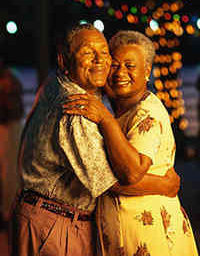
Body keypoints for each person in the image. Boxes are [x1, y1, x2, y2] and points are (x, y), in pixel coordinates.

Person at [10, 23, 180, 256]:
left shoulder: (58, 82)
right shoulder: (77, 108)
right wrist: (165, 185)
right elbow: (113, 180)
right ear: (64, 61)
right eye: (88, 53)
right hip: (55, 226)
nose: (101, 61)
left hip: (43, 219)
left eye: (104, 53)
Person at [63, 30, 199, 255]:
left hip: (148, 234)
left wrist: (105, 118)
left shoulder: (146, 115)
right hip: (126, 233)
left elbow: (129, 173)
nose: (120, 73)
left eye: (130, 66)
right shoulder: (121, 109)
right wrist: (163, 184)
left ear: (147, 71)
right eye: (114, 66)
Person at [0, 60, 24, 228]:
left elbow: (14, 107)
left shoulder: (8, 82)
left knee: (9, 171)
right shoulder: (11, 80)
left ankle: (8, 211)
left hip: (8, 126)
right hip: (9, 126)